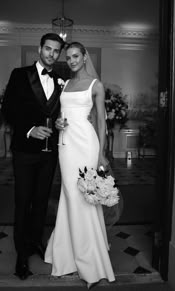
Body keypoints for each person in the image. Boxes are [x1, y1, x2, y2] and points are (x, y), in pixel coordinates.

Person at [44, 42, 115, 288]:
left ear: (85, 57)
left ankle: (88, 257)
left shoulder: (96, 86)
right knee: (69, 194)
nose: (72, 60)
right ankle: (66, 249)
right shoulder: (65, 85)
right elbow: (59, 115)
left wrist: (102, 154)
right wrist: (58, 123)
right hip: (66, 145)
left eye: (76, 56)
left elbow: (101, 122)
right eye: (69, 57)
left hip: (86, 145)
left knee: (85, 197)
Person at [1, 33, 65, 280]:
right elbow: (8, 109)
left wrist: (60, 122)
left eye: (56, 51)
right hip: (25, 151)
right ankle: (21, 255)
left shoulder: (61, 80)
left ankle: (36, 241)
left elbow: (59, 112)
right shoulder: (20, 74)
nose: (51, 54)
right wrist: (30, 129)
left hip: (50, 153)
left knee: (41, 202)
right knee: (23, 202)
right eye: (48, 49)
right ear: (40, 49)